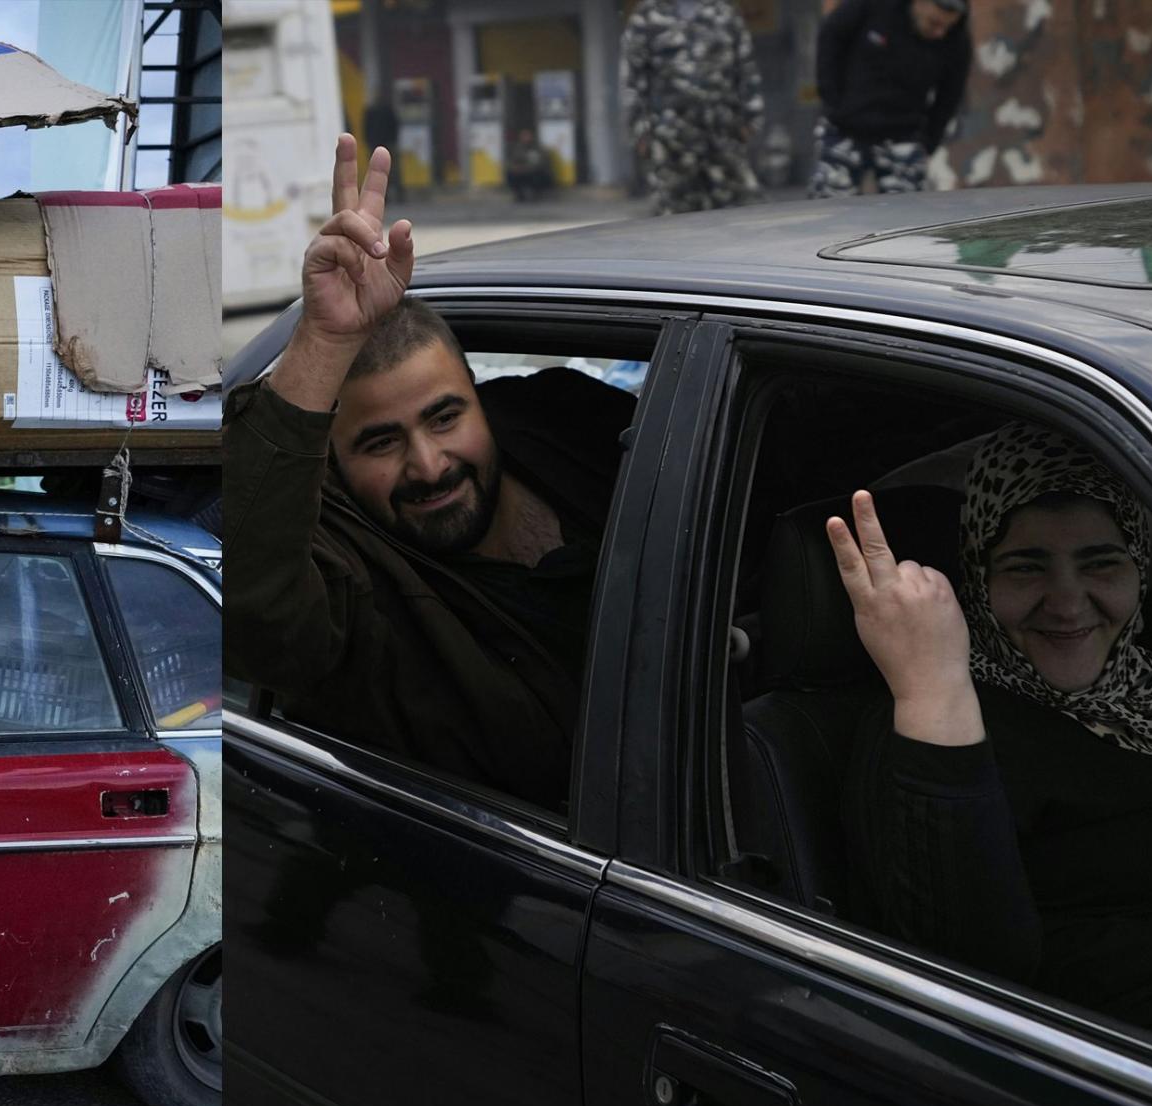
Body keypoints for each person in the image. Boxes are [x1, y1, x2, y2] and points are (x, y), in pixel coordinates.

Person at [223, 135, 634, 809]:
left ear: (483, 397)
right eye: (381, 442)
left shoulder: (568, 427)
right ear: (332, 456)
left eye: (446, 418)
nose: (428, 464)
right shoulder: (349, 577)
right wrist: (323, 342)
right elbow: (252, 603)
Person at [831, 423, 1152, 1049]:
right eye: (1025, 568)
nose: (1068, 604)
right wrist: (933, 687)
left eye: (1100, 563)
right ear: (978, 579)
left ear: (1140, 569)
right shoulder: (935, 717)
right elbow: (963, 980)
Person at [810, 0, 971, 198]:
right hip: (846, 127)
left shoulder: (957, 41)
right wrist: (831, 99)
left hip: (904, 134)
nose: (940, 33)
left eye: (947, 27)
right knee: (828, 203)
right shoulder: (873, 6)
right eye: (934, 23)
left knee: (910, 212)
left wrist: (928, 143)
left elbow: (949, 98)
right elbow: (830, 35)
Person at [621, 0, 765, 216]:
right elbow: (632, 78)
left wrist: (752, 119)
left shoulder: (724, 13)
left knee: (739, 212)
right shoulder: (647, 16)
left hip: (723, 134)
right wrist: (639, 131)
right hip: (670, 140)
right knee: (674, 218)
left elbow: (746, 69)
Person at [504, 129, 553, 202]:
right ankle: (519, 194)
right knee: (510, 174)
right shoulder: (517, 147)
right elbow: (511, 161)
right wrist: (515, 168)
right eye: (524, 136)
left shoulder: (537, 148)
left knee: (537, 174)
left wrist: (525, 168)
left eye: (528, 136)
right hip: (521, 172)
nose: (526, 138)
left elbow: (541, 163)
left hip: (534, 172)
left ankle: (535, 193)